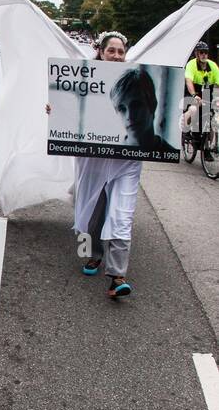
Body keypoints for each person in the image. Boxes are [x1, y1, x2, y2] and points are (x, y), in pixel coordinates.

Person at [72, 31, 140, 299]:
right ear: (100, 52)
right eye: (111, 50)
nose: (116, 55)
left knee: (122, 215)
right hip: (95, 159)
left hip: (126, 162)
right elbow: (69, 111)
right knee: (94, 211)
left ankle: (117, 276)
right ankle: (93, 255)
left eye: (120, 52)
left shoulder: (135, 80)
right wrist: (55, 111)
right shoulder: (83, 79)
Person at [109, 66, 177, 154]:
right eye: (122, 109)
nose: (130, 116)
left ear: (152, 104)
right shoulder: (112, 153)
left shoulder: (171, 154)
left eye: (136, 105)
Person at [183, 42, 219, 134]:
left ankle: (211, 144)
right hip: (193, 92)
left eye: (206, 52)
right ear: (196, 54)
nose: (204, 55)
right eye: (201, 52)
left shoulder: (213, 65)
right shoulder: (191, 64)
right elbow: (188, 81)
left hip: (207, 93)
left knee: (211, 115)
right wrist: (194, 95)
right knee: (193, 109)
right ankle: (184, 129)